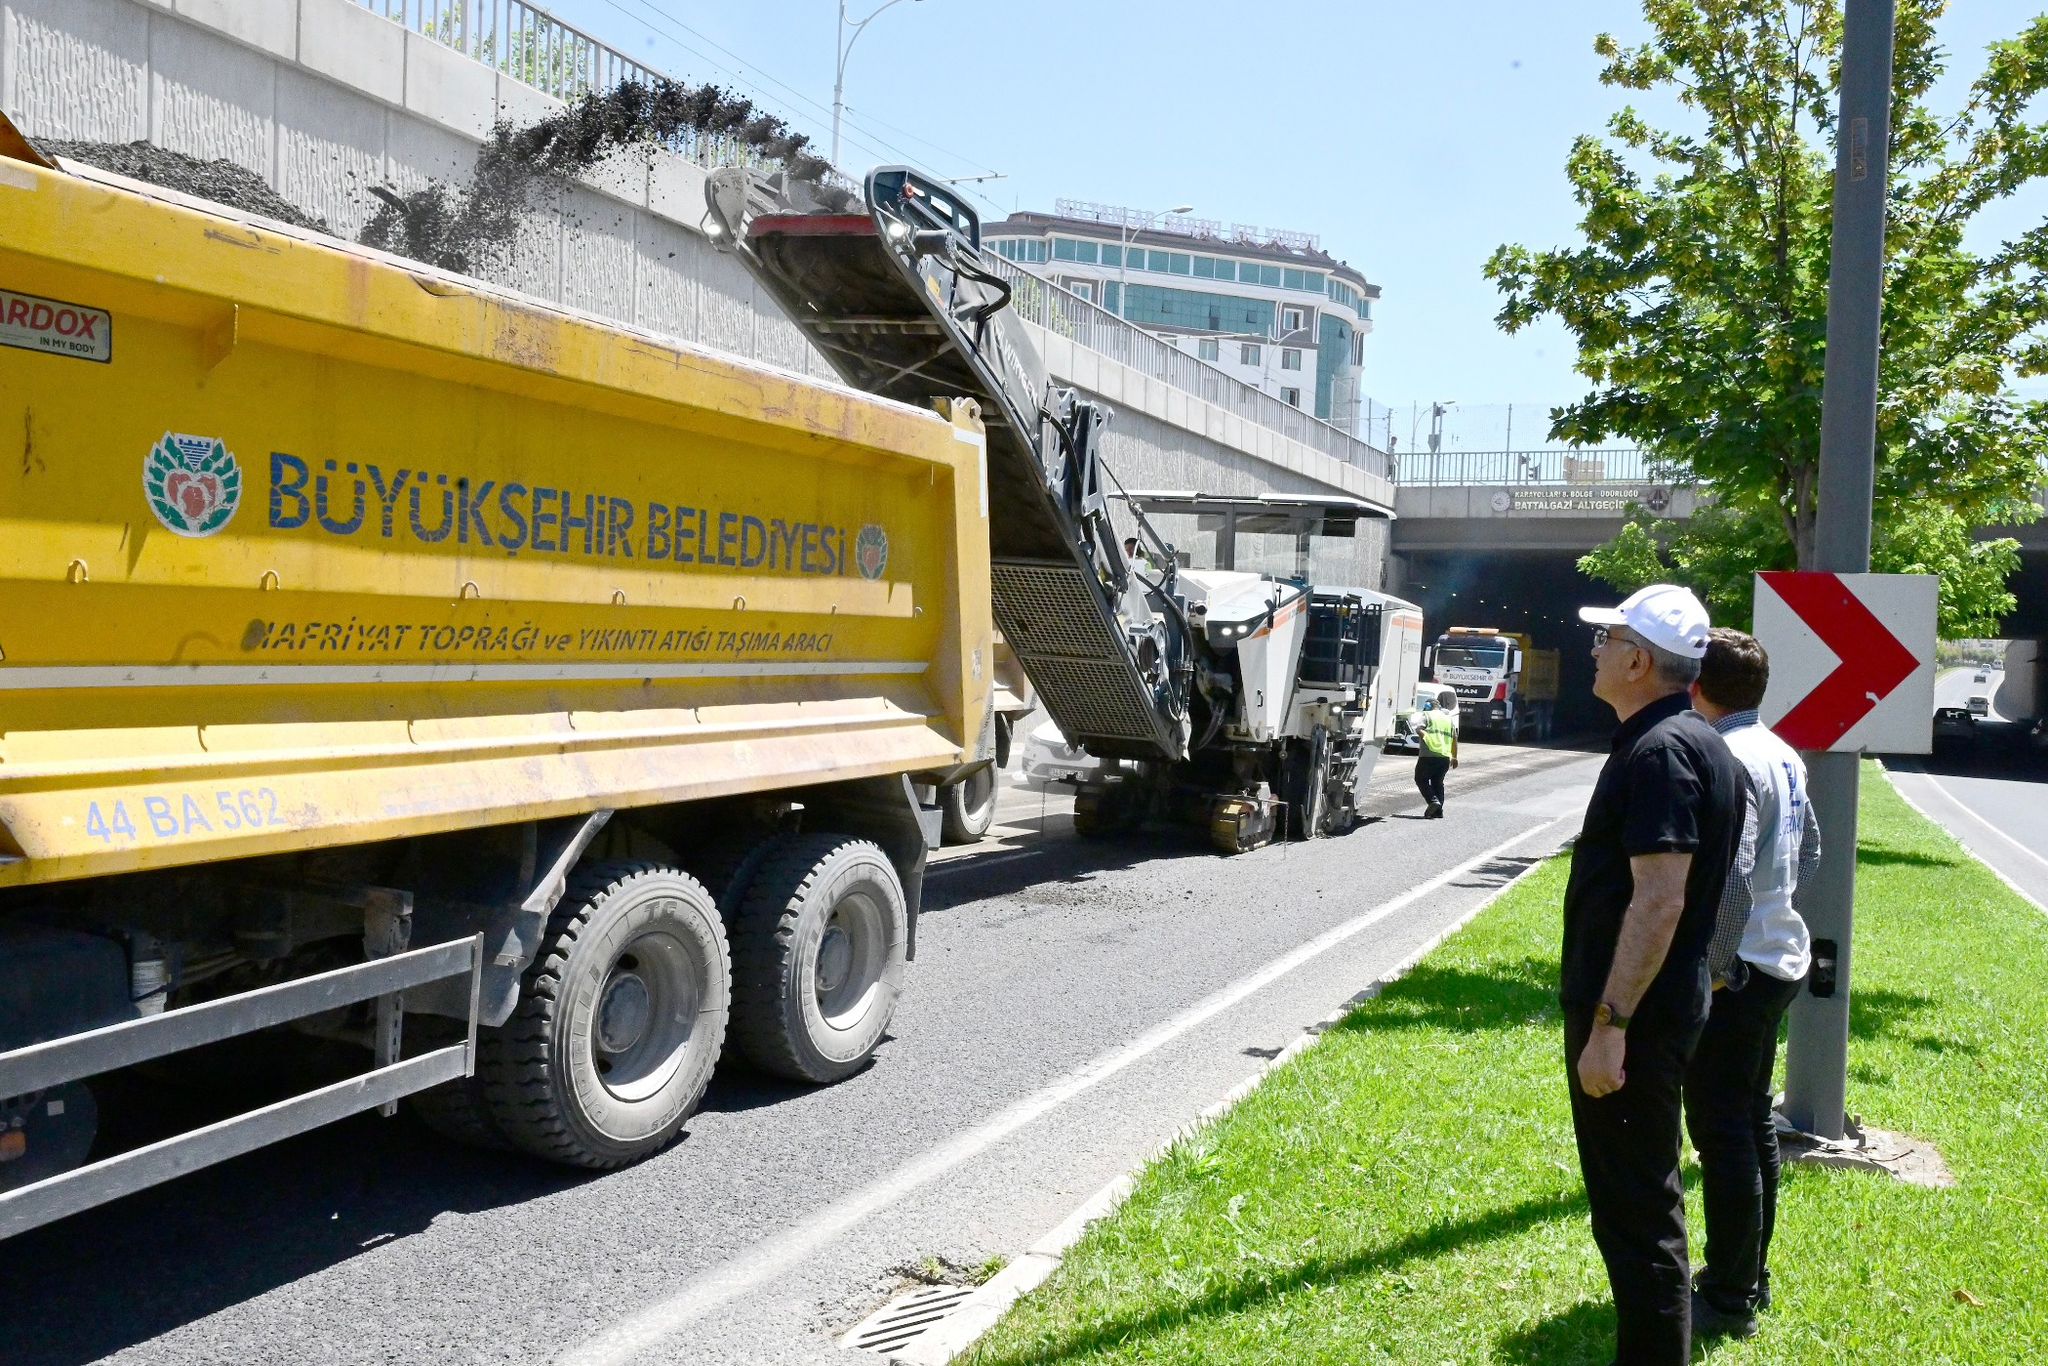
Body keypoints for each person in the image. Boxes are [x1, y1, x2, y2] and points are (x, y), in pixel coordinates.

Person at [1563, 583, 1747, 1364]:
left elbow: (1661, 900)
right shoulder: (1695, 740)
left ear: (1638, 659)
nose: (1595, 651)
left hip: (1633, 1022)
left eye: (1606, 640)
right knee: (1639, 1213)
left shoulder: (1663, 752)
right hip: (1655, 1010)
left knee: (1638, 1221)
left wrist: (1611, 1028)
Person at [1682, 628, 1820, 1340]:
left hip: (1740, 973)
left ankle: (1730, 1296)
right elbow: (1811, 851)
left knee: (1723, 1134)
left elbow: (1731, 878)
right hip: (1779, 959)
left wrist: (1714, 970)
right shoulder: (1782, 753)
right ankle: (1751, 1275)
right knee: (1752, 1120)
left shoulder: (1725, 757)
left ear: (1693, 685)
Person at [1414, 687, 1459, 818]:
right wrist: (1455, 757)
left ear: (1428, 706)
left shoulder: (1426, 715)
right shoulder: (1447, 719)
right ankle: (1438, 811)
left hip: (1428, 755)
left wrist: (1428, 739)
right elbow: (1454, 738)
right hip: (1444, 757)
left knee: (1420, 779)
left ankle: (1433, 802)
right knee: (1438, 782)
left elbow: (1418, 729)